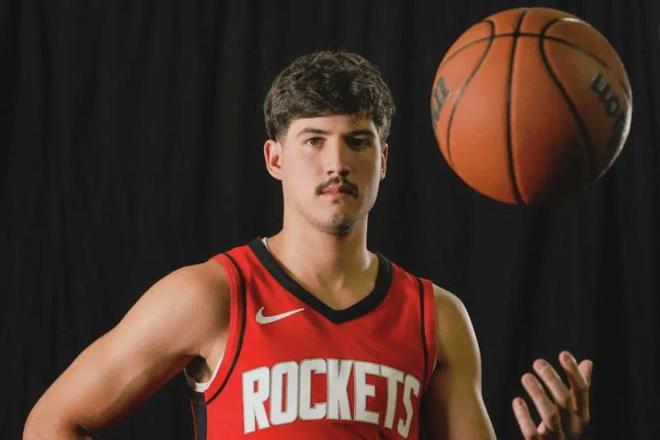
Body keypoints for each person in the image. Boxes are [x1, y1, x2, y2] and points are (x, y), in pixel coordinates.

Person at [24, 50, 592, 440]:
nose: (336, 163)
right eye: (313, 140)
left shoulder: (435, 317)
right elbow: (51, 423)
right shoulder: (213, 295)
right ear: (275, 158)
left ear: (383, 159)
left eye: (357, 142)